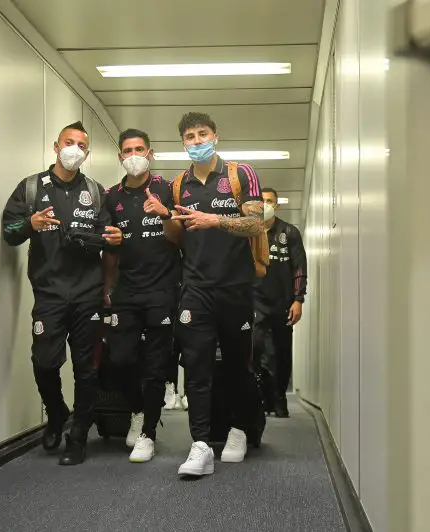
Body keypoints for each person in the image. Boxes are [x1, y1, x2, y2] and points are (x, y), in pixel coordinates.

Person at [1, 121, 123, 466]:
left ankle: (78, 436)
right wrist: (30, 224)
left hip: (88, 295)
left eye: (81, 146)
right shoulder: (30, 188)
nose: (74, 150)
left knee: (86, 369)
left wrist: (114, 239)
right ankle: (56, 412)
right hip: (49, 293)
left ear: (87, 153)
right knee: (44, 362)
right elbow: (9, 231)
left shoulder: (95, 192)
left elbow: (110, 237)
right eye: (69, 143)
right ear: (56, 147)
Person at [162, 111, 267, 477]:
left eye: (202, 134)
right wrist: (166, 218)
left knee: (238, 365)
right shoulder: (179, 184)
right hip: (195, 288)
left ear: (216, 136)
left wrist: (215, 220)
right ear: (183, 143)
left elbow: (257, 223)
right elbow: (177, 238)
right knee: (196, 366)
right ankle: (201, 444)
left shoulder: (240, 174)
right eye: (190, 137)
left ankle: (239, 429)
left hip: (235, 287)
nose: (197, 141)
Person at [102, 128, 182, 462]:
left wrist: (165, 214)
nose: (133, 155)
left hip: (162, 289)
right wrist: (106, 286)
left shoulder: (168, 188)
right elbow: (108, 247)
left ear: (150, 153)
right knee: (120, 358)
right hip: (126, 290)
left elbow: (181, 238)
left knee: (155, 364)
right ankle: (137, 409)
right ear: (120, 156)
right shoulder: (111, 196)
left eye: (139, 149)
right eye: (127, 150)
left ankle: (148, 432)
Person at [252, 188, 307, 418]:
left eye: (269, 201)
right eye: (262, 201)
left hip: (283, 303)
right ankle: (261, 399)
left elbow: (299, 267)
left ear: (277, 205)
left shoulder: (289, 232)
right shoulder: (249, 232)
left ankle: (279, 399)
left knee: (282, 352)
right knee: (257, 348)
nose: (265, 205)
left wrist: (298, 299)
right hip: (255, 302)